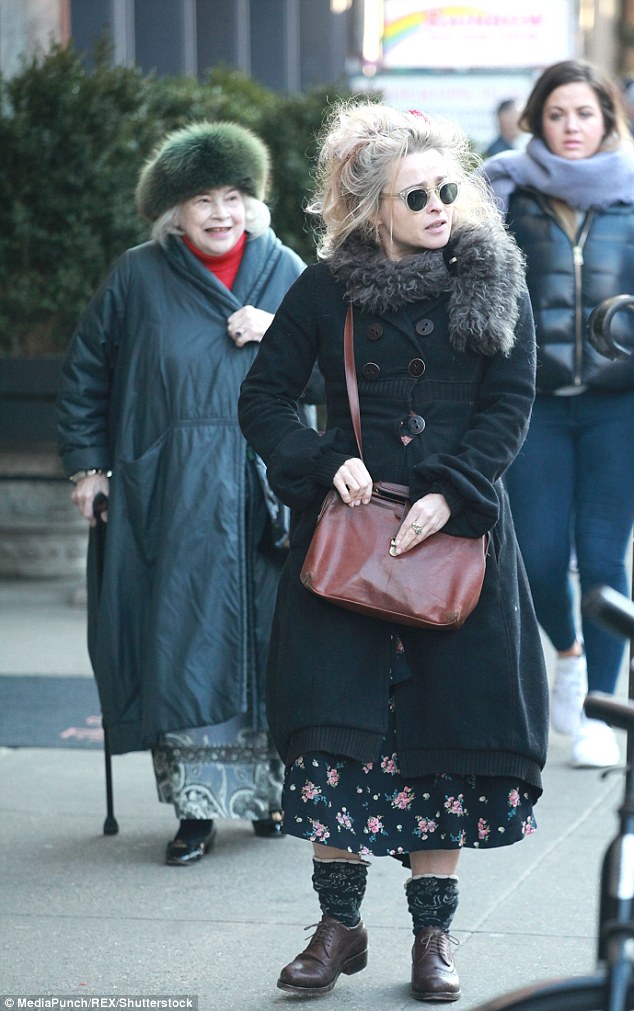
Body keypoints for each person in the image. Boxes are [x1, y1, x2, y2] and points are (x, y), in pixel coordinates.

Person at [238, 101, 548, 1002]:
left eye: (450, 189)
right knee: (335, 736)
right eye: (418, 197)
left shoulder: (491, 273)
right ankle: (338, 925)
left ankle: (432, 933)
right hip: (353, 542)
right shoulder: (327, 287)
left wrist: (454, 491)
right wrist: (325, 461)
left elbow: (510, 402)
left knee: (446, 738)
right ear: (373, 208)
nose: (442, 207)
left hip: (456, 536)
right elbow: (263, 399)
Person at [57, 121, 320, 865]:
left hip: (266, 490)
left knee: (269, 644)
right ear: (173, 212)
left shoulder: (284, 270)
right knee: (185, 646)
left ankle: (268, 796)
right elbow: (86, 376)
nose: (220, 212)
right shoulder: (137, 276)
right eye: (202, 198)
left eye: (233, 195)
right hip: (171, 495)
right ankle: (198, 808)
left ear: (252, 202)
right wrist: (90, 466)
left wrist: (279, 331)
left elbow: (342, 371)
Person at [481, 59, 634, 770]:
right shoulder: (502, 188)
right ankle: (567, 652)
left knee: (604, 558)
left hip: (618, 404)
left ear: (608, 118)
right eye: (557, 115)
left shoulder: (633, 191)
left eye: (585, 114)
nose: (572, 128)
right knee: (539, 555)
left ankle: (602, 703)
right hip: (532, 403)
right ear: (536, 121)